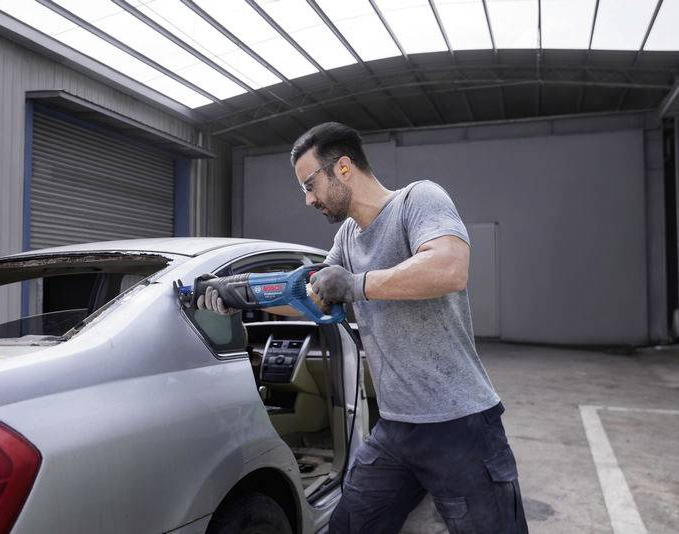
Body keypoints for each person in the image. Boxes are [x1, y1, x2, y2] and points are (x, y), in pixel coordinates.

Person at [199, 122, 527, 534]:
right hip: (395, 427)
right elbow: (309, 297)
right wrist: (235, 299)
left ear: (344, 167)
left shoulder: (418, 199)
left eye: (311, 184)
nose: (308, 199)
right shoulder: (347, 238)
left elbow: (449, 268)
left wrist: (356, 284)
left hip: (459, 425)